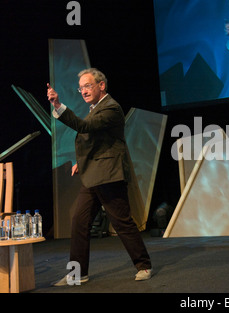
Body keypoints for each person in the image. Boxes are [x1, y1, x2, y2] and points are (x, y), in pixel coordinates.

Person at [47, 68, 152, 285]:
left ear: (101, 86)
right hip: (92, 175)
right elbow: (95, 141)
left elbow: (85, 127)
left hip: (108, 175)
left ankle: (144, 265)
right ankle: (77, 274)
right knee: (79, 221)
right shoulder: (96, 108)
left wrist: (58, 106)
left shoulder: (111, 108)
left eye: (88, 86)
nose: (83, 91)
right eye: (81, 87)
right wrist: (80, 162)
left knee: (122, 222)